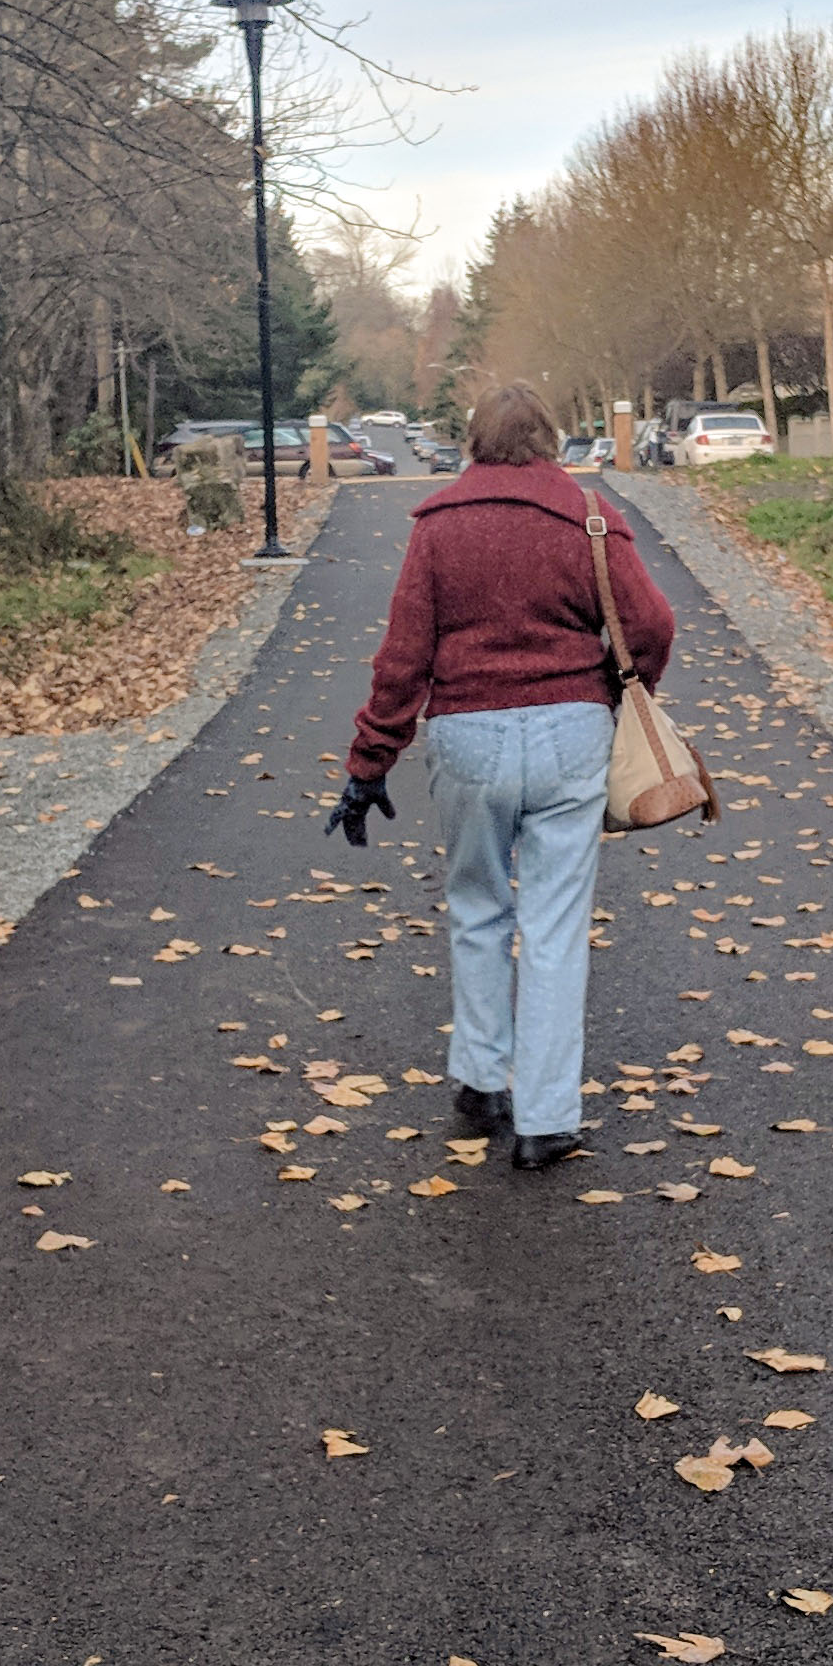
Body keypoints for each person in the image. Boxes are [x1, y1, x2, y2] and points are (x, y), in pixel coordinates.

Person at [326, 379, 674, 1169]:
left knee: (477, 905)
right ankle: (548, 1119)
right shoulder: (588, 516)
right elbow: (653, 624)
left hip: (466, 737)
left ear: (473, 441)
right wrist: (628, 696)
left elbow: (404, 656)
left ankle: (481, 1080)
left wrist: (369, 762)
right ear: (550, 439)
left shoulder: (440, 525)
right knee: (553, 928)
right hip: (571, 732)